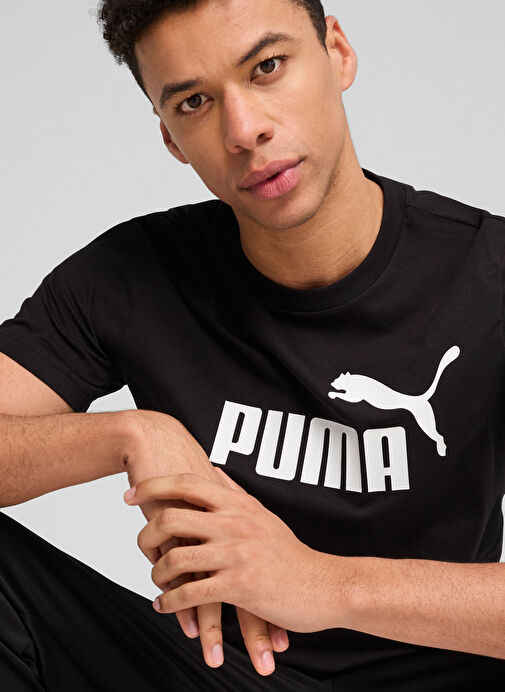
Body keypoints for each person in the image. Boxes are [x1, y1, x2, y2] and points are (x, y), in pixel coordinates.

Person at [0, 0, 504, 689]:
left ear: (337, 52)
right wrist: (131, 434)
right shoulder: (131, 276)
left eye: (266, 67)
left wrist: (322, 583)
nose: (243, 130)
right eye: (194, 102)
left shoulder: (487, 275)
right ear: (171, 137)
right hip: (217, 675)